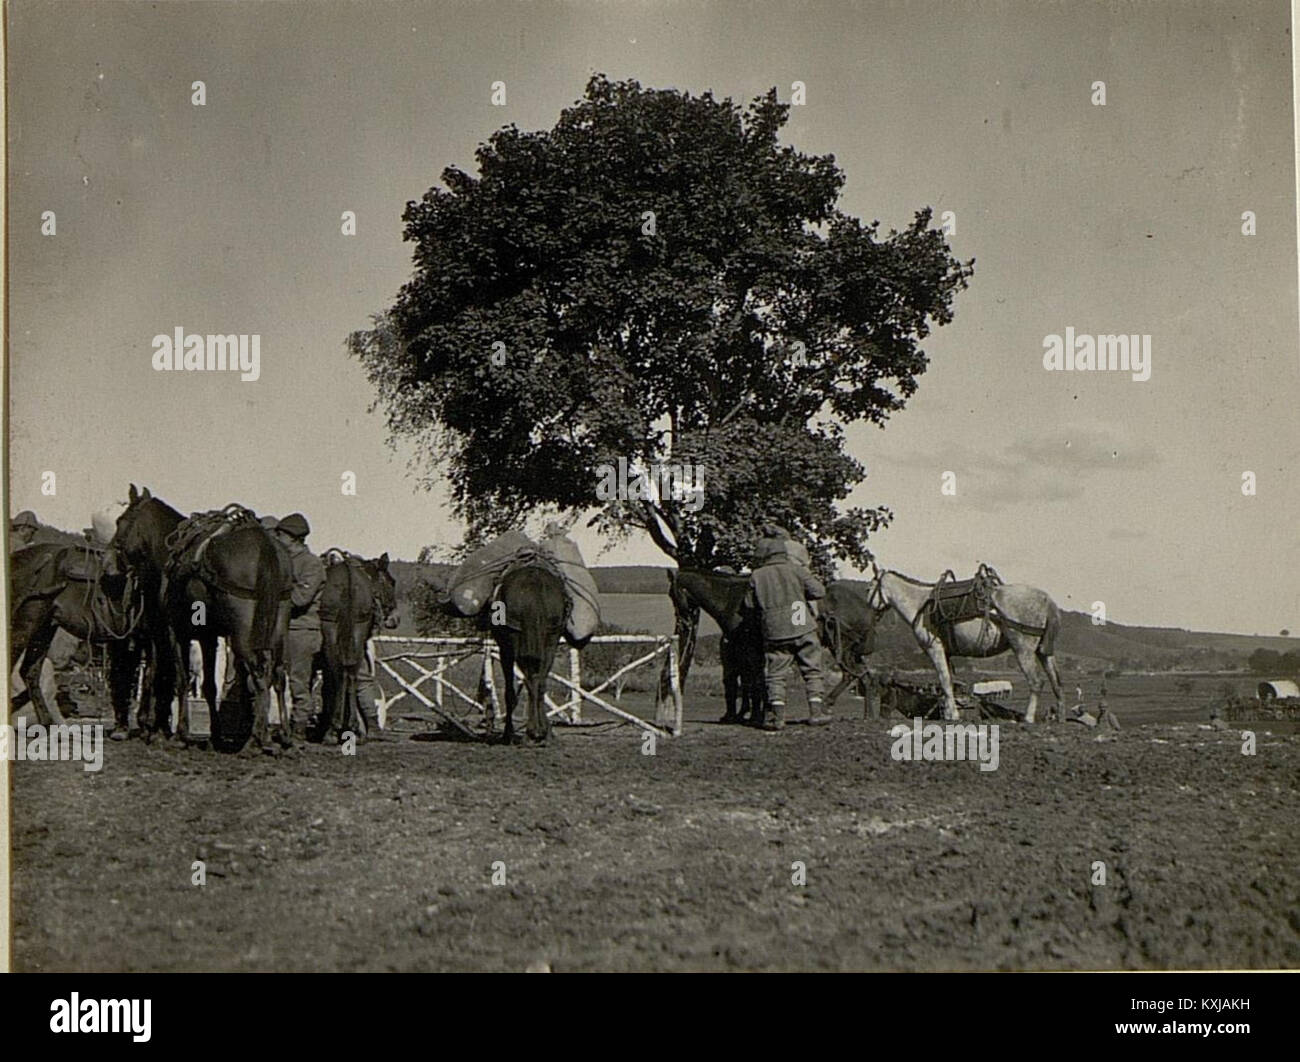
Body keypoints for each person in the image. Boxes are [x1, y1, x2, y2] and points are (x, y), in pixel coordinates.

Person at [748, 532, 828, 731]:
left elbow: (749, 604)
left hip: (774, 628)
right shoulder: (796, 569)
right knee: (812, 669)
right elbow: (819, 591)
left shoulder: (756, 575)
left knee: (775, 674)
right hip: (799, 619)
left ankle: (777, 718)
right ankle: (816, 713)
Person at [275, 513, 325, 740]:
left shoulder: (311, 564)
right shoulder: (281, 560)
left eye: (280, 535)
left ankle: (299, 728)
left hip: (302, 630)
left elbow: (300, 598)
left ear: (293, 538)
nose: (277, 539)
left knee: (299, 682)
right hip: (285, 629)